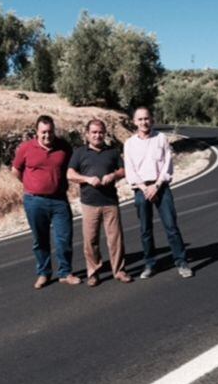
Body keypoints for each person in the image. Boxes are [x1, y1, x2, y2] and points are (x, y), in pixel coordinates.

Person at [12, 115, 81, 289]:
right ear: (37, 132)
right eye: (43, 132)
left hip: (59, 201)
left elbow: (71, 169)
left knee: (64, 238)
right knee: (40, 240)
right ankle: (43, 273)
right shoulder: (26, 148)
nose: (47, 135)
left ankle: (65, 272)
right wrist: (30, 184)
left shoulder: (63, 147)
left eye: (50, 132)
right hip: (34, 201)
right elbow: (16, 170)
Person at [123, 107, 193, 279]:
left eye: (146, 118)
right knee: (145, 229)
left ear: (152, 120)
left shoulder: (161, 139)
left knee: (171, 226)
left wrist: (157, 184)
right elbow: (130, 169)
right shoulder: (129, 144)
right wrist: (144, 187)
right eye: (139, 119)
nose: (143, 122)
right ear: (134, 122)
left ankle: (182, 262)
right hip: (141, 190)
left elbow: (167, 164)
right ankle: (150, 264)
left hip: (161, 187)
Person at [67, 119, 133, 287]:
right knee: (90, 240)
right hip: (89, 203)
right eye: (94, 132)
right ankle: (93, 272)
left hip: (110, 202)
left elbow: (123, 170)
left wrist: (113, 175)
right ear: (87, 134)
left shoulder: (112, 151)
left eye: (100, 132)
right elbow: (70, 174)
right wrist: (87, 179)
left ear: (104, 133)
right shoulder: (80, 152)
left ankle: (119, 270)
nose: (97, 135)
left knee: (115, 239)